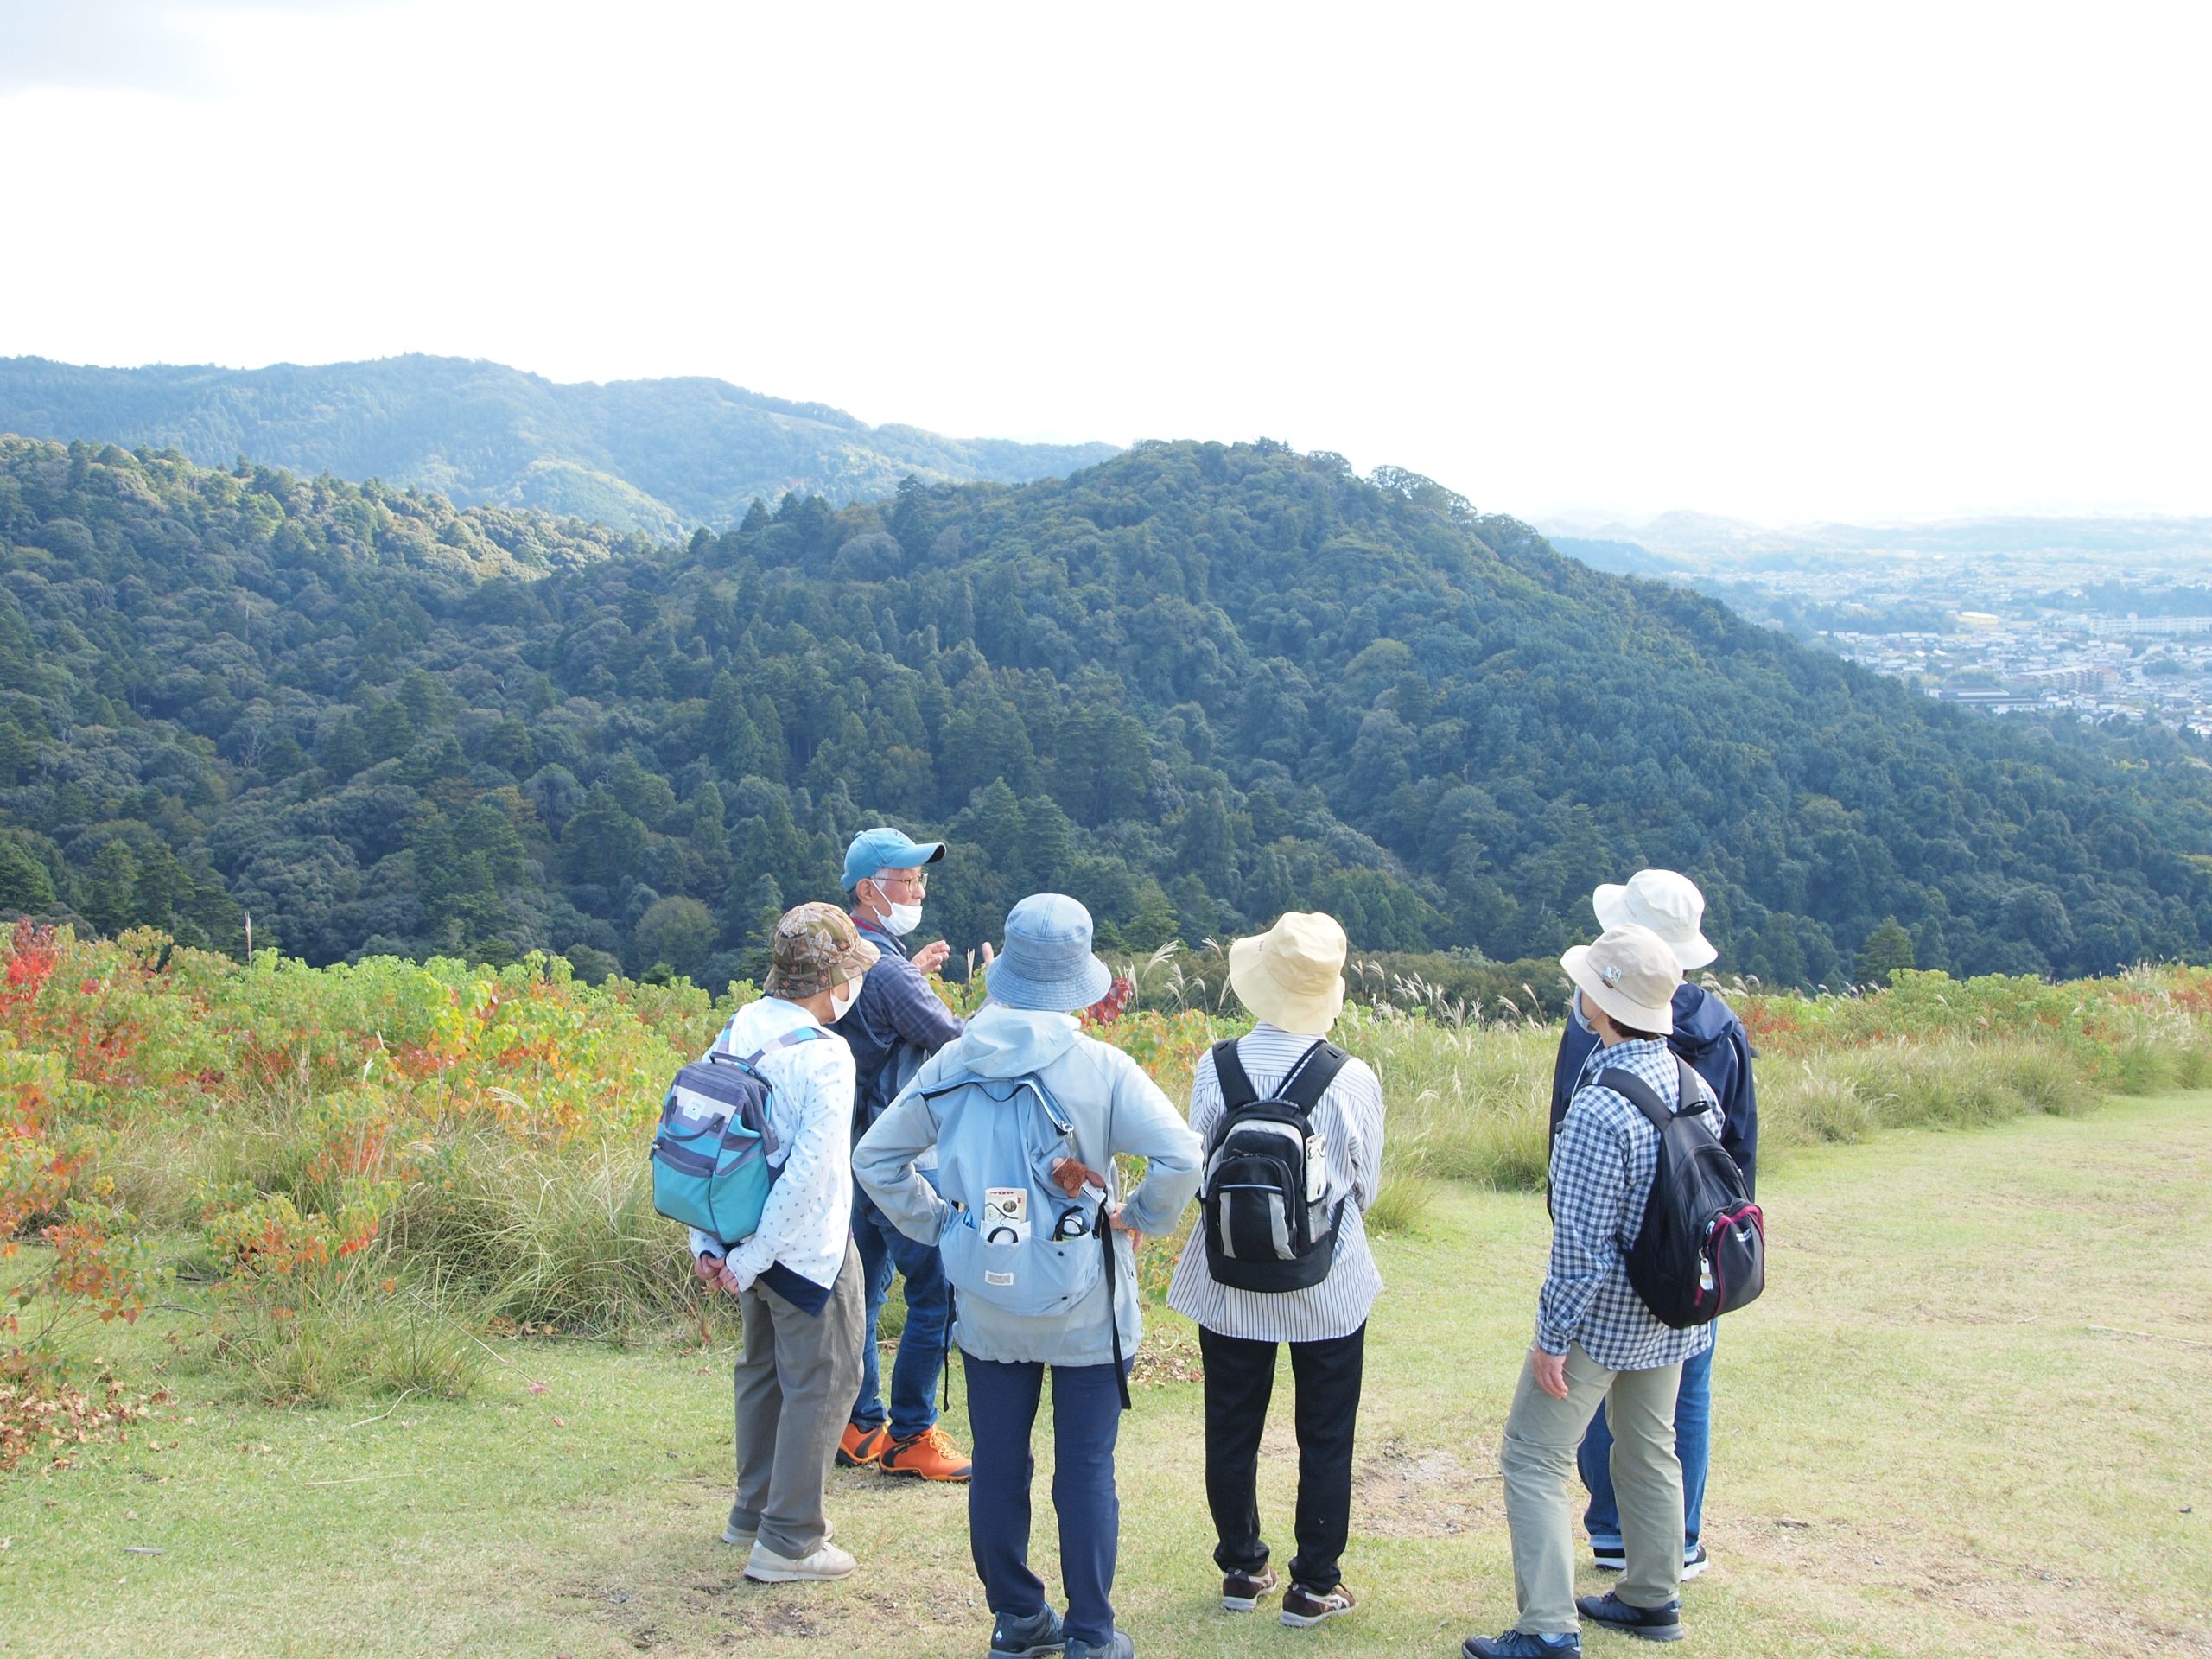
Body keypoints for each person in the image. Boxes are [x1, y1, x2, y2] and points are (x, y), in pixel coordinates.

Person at [855, 894, 1202, 1659]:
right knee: (1085, 1472)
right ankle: (1091, 1635)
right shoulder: (1103, 1068)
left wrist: (939, 1223)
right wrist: (1139, 1215)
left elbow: (875, 1159)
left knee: (999, 1466)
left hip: (984, 1298)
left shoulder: (954, 1062)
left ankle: (1018, 1620)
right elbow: (1184, 1155)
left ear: (1005, 972)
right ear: (1078, 979)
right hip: (1089, 1307)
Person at [1465, 924, 1722, 1658]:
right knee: (1649, 1446)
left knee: (1531, 1456)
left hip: (1603, 1316)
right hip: (1675, 1305)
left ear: (1603, 1004)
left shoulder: (1601, 1106)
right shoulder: (1691, 1083)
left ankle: (1547, 1627)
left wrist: (1552, 1337)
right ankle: (1651, 1595)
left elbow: (1579, 1246)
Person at [1166, 912, 1384, 1630]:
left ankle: (1241, 1566)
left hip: (1226, 1279)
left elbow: (1198, 1168)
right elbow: (1365, 1187)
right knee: (1326, 1430)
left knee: (1231, 1424)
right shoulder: (1351, 1079)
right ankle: (1315, 1584)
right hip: (1327, 1284)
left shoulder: (1215, 1065)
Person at [1548, 869, 1757, 1580]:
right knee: (1679, 1396)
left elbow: (1568, 1134)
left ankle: (1610, 1528)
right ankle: (1680, 1541)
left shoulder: (1595, 1023)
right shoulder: (1721, 1029)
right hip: (1700, 1242)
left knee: (1596, 1389)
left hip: (1612, 1239)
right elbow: (1740, 1148)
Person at [691, 902, 878, 1585]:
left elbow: (701, 1137)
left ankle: (752, 1509)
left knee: (763, 1372)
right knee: (825, 1380)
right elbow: (813, 1175)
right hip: (802, 1252)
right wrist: (755, 1255)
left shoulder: (738, 1027)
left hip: (741, 1233)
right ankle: (791, 1539)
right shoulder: (827, 1055)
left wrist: (714, 1243)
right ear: (834, 983)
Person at [836, 825, 990, 1483]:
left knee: (861, 1293)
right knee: (937, 1289)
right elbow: (956, 1043)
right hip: (895, 1157)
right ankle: (911, 1433)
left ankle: (857, 1422)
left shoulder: (838, 952)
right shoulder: (890, 970)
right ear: (870, 889)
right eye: (909, 879)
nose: (920, 889)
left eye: (923, 878)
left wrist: (913, 974)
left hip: (841, 1154)